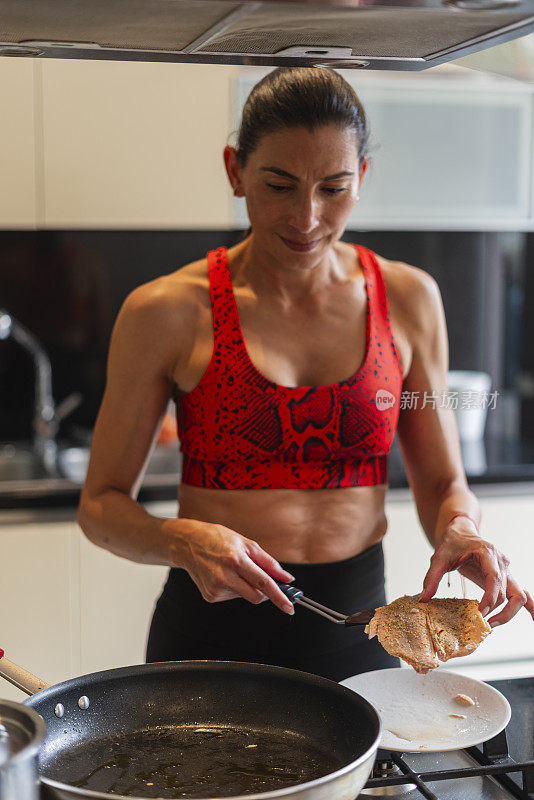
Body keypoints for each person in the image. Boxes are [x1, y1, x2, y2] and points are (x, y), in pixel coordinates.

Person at [78, 67, 533, 682]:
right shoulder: (167, 311)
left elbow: (443, 479)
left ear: (363, 177)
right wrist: (182, 540)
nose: (307, 217)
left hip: (357, 630)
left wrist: (460, 528)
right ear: (235, 171)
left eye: (334, 187)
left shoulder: (407, 298)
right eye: (280, 185)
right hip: (208, 638)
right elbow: (101, 506)